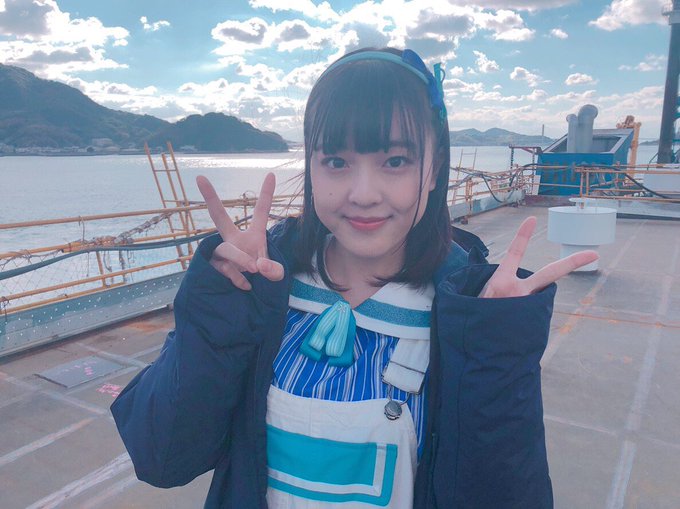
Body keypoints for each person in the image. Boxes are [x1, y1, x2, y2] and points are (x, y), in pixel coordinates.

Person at [111, 47, 597, 508]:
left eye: (395, 162)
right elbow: (163, 457)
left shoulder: (464, 315)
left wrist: (497, 346)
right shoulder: (263, 291)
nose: (363, 194)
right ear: (311, 167)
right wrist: (218, 306)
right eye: (337, 162)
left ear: (434, 171)